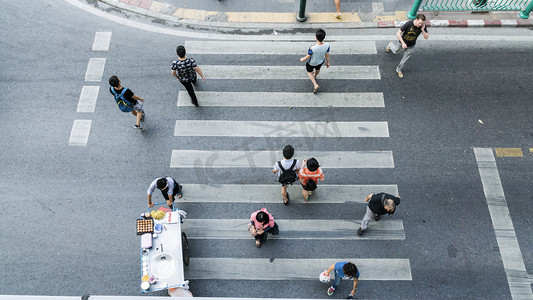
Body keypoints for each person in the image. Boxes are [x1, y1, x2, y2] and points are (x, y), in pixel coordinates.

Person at [385, 14, 429, 79]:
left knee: (405, 58)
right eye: (419, 23)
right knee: (395, 51)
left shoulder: (422, 26)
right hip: (402, 42)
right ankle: (390, 45)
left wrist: (422, 30)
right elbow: (398, 33)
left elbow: (426, 37)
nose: (420, 25)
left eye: (421, 23)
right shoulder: (409, 24)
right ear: (416, 20)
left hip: (411, 45)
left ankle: (399, 69)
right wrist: (403, 43)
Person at [300, 29, 330, 94]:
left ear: (316, 37)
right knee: (317, 69)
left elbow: (308, 56)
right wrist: (327, 62)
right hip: (320, 61)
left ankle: (315, 85)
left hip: (312, 63)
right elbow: (327, 54)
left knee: (309, 72)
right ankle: (315, 75)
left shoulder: (312, 48)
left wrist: (302, 59)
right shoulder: (327, 45)